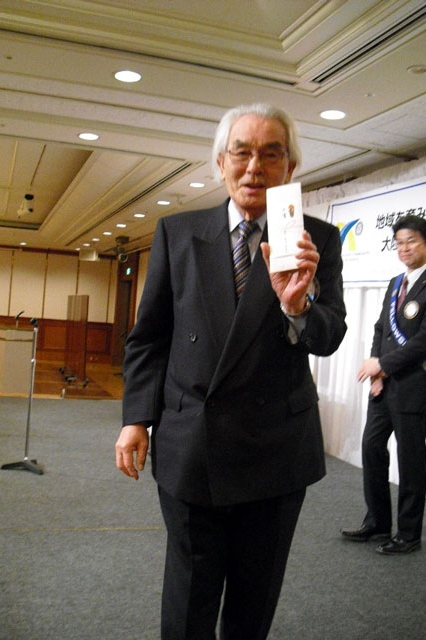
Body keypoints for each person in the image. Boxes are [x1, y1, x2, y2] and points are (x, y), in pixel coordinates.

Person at [115, 102, 347, 640]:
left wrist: (297, 307)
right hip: (191, 444)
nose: (254, 167)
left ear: (290, 167)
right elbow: (150, 337)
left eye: (271, 154)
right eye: (241, 153)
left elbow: (330, 336)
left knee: (252, 604)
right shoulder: (178, 232)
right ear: (220, 162)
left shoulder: (316, 240)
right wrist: (136, 419)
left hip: (276, 451)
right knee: (188, 601)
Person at [342, 214, 426, 555]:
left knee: (410, 459)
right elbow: (381, 329)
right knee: (371, 448)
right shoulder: (396, 283)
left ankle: (408, 534)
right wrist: (376, 372)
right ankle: (378, 522)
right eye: (399, 243)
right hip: (384, 386)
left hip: (415, 386)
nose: (404, 248)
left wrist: (383, 365)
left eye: (411, 241)